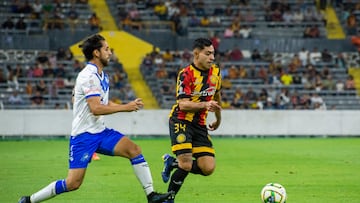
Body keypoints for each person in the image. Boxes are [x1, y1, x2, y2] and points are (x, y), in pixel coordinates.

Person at [18, 34, 173, 203]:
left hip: (100, 132)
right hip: (83, 136)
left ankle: (152, 196)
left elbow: (102, 102)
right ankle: (29, 200)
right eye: (106, 49)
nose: (110, 52)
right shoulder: (88, 75)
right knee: (73, 183)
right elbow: (96, 108)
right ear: (96, 53)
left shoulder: (102, 75)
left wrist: (126, 105)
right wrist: (124, 108)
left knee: (134, 150)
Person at [161, 38, 222, 202]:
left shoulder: (216, 73)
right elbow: (183, 104)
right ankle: (169, 198)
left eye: (213, 54)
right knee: (186, 164)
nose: (212, 58)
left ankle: (173, 163)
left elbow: (216, 96)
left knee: (208, 167)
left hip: (200, 124)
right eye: (208, 54)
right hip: (181, 120)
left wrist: (218, 118)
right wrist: (205, 104)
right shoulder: (186, 74)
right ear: (196, 54)